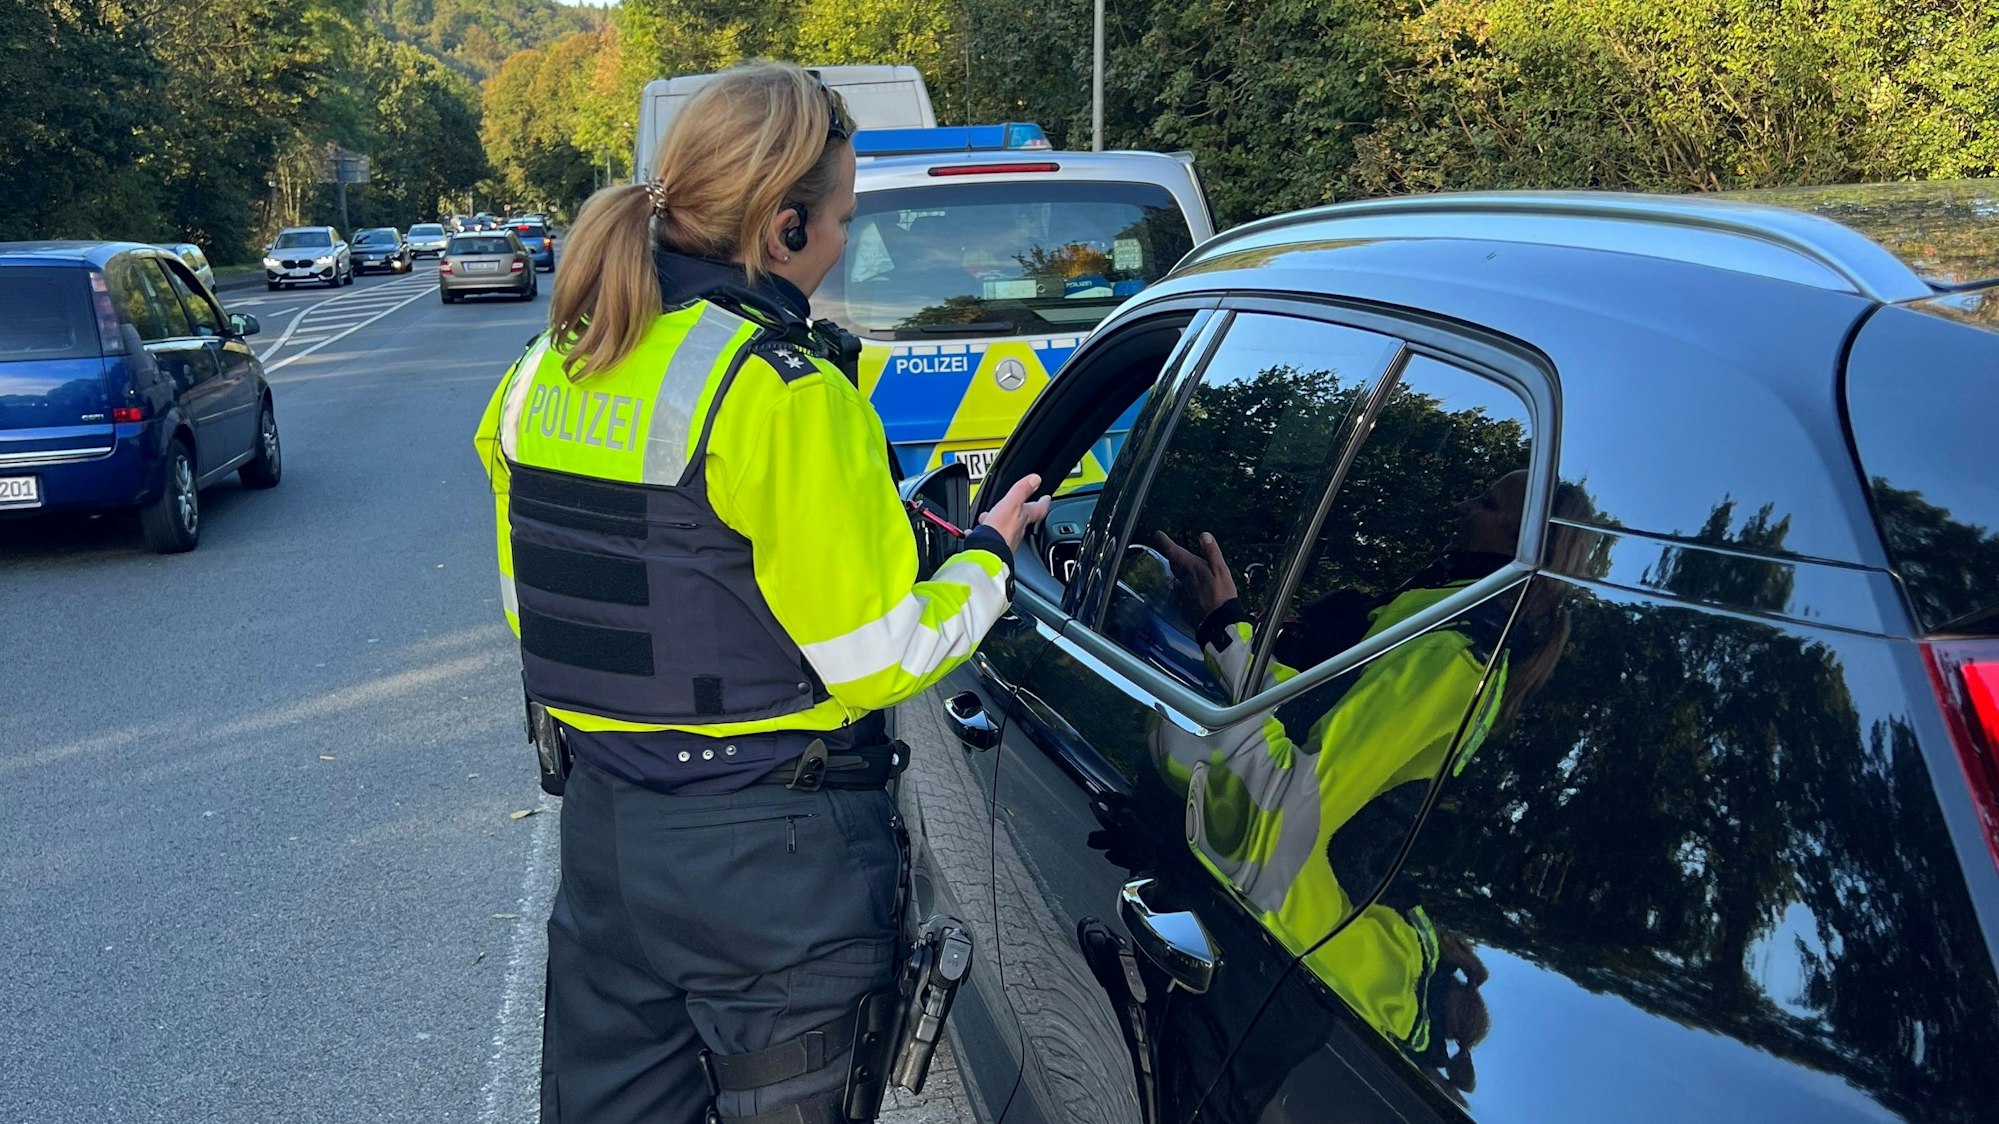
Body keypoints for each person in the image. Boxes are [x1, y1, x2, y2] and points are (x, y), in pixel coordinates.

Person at [471, 62, 1051, 1124]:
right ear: (782, 227)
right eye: (839, 218)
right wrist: (988, 561)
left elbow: (540, 604)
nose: (842, 242)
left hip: (608, 842)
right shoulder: (781, 390)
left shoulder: (548, 367)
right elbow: (878, 653)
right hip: (772, 865)